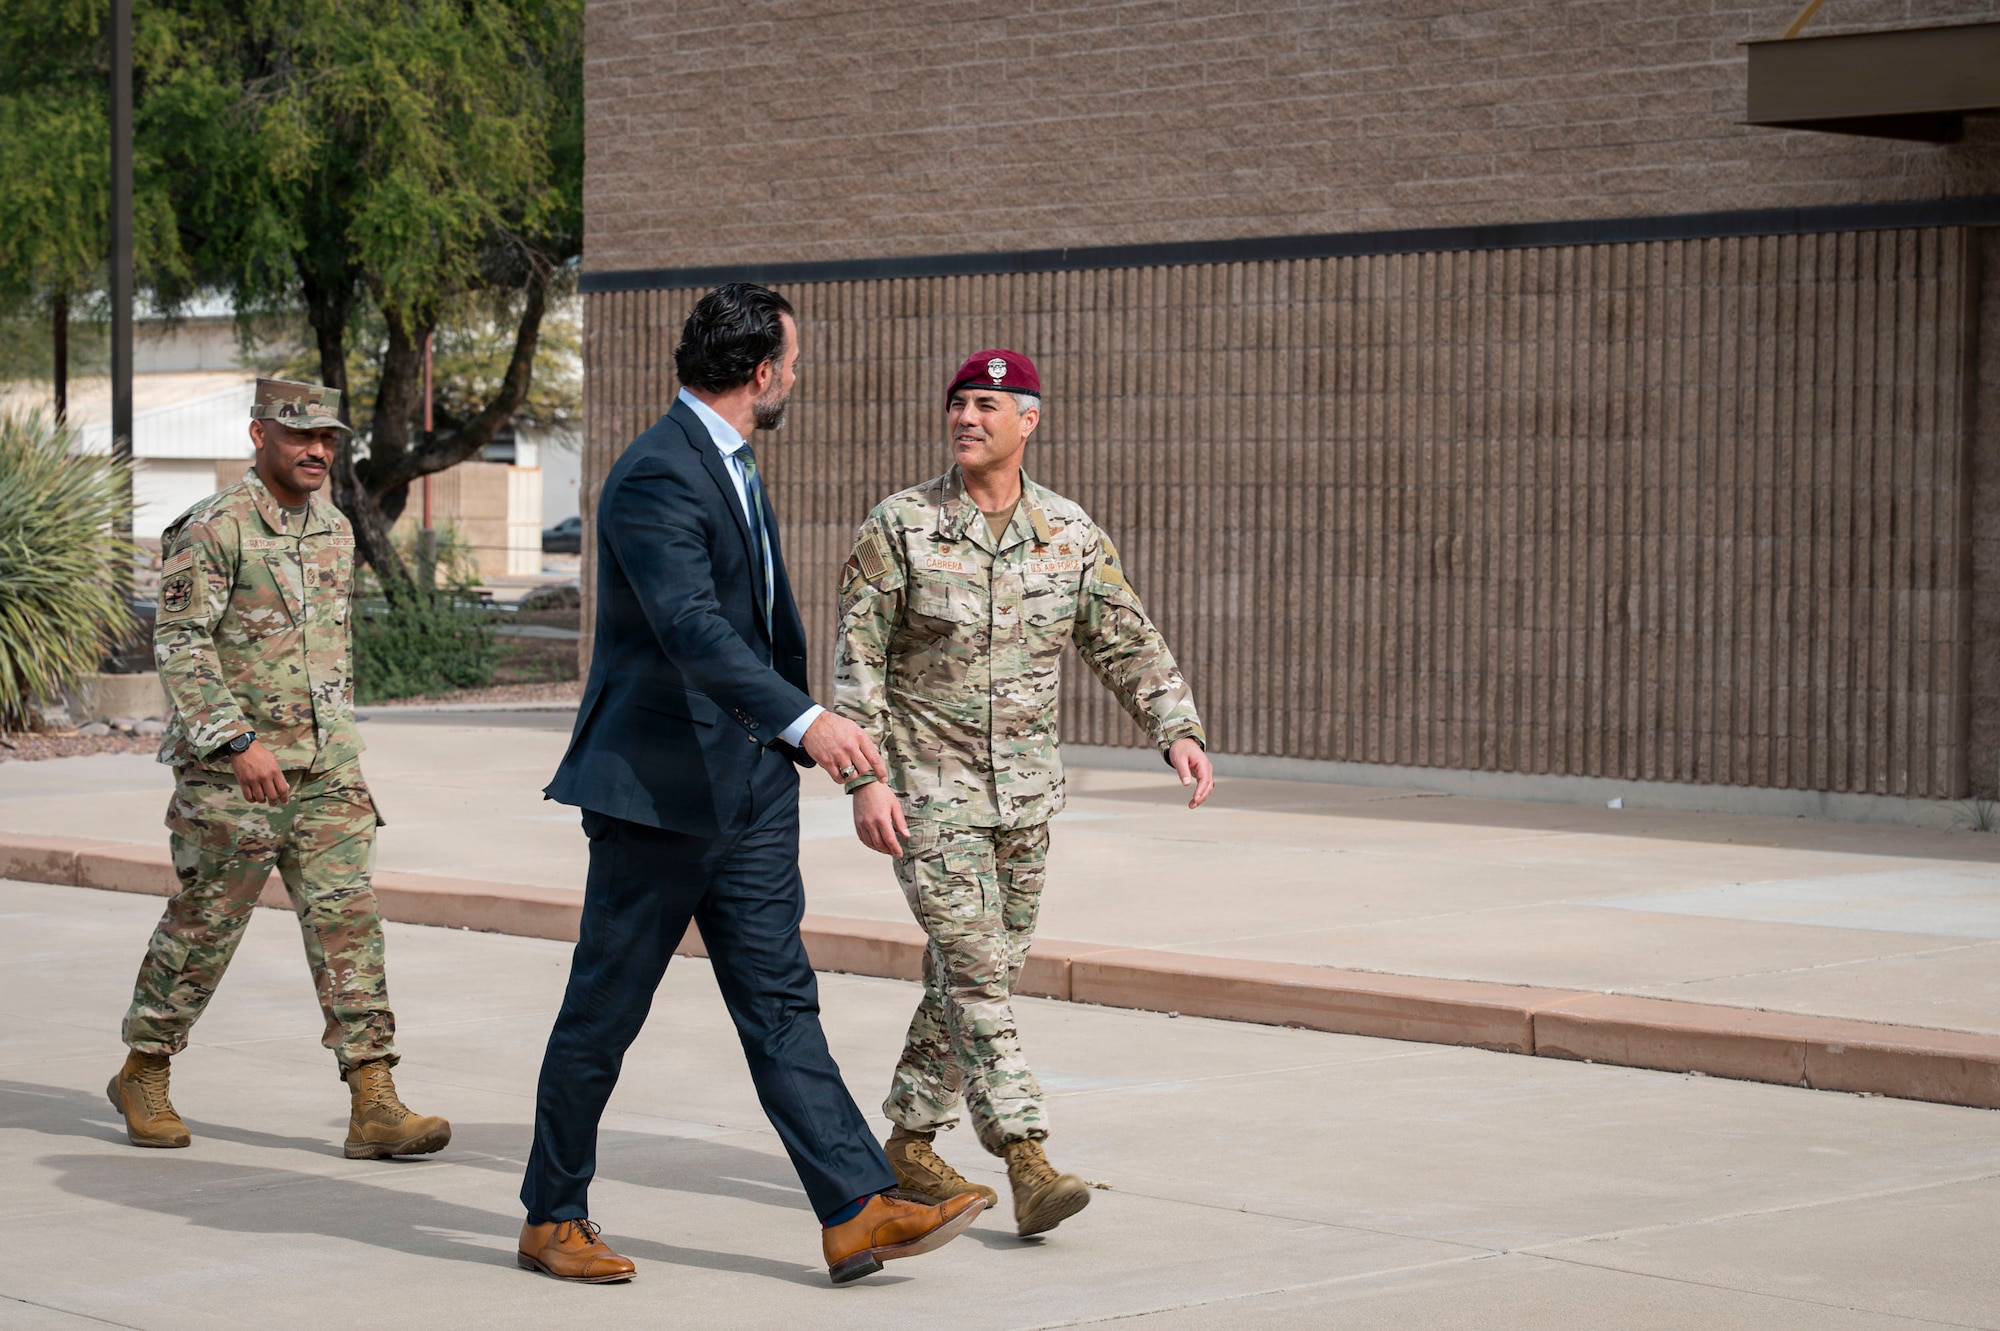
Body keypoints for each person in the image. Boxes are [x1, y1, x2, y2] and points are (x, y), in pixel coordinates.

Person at [520, 283, 984, 1287]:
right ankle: (552, 1212)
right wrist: (808, 718)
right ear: (762, 370)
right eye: (793, 359)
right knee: (604, 1010)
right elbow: (691, 628)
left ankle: (855, 1208)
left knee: (780, 998)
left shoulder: (728, 462)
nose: (796, 375)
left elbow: (751, 625)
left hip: (747, 789)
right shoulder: (654, 474)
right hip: (655, 791)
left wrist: (785, 736)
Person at [833, 349, 1214, 1237]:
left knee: (981, 971)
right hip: (929, 794)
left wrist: (1178, 729)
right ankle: (1026, 1154)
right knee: (976, 970)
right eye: (958, 403)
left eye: (987, 405)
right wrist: (864, 778)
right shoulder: (901, 525)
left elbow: (1123, 638)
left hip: (1028, 799)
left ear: (1027, 421)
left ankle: (910, 1141)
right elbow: (859, 662)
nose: (967, 417)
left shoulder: (1069, 533)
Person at [109, 378, 450, 1162]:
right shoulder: (213, 527)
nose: (317, 450)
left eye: (327, 437)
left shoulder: (331, 526)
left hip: (327, 770)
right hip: (235, 775)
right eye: (300, 435)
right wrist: (236, 740)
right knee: (206, 926)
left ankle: (373, 1097)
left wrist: (339, 750)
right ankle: (144, 1068)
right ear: (258, 433)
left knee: (350, 926)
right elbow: (182, 644)